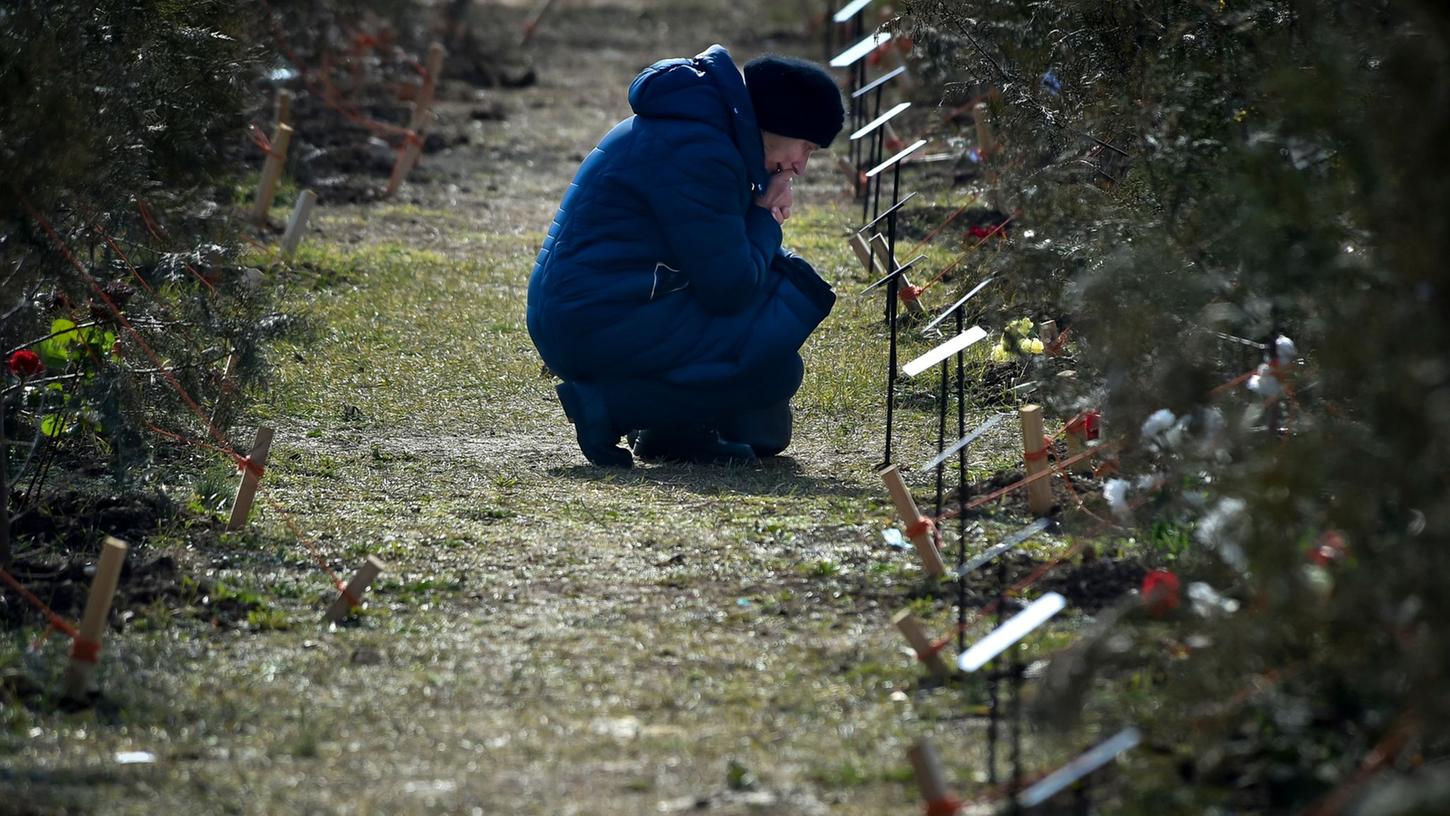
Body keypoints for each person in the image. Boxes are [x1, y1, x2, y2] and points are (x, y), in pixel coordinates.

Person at [527, 44, 845, 467]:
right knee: (776, 369)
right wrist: (766, 215)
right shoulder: (701, 153)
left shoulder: (697, 131)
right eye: (805, 146)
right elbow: (729, 289)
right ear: (777, 122)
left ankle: (673, 429)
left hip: (596, 307)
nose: (801, 165)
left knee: (764, 409)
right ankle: (605, 407)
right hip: (596, 320)